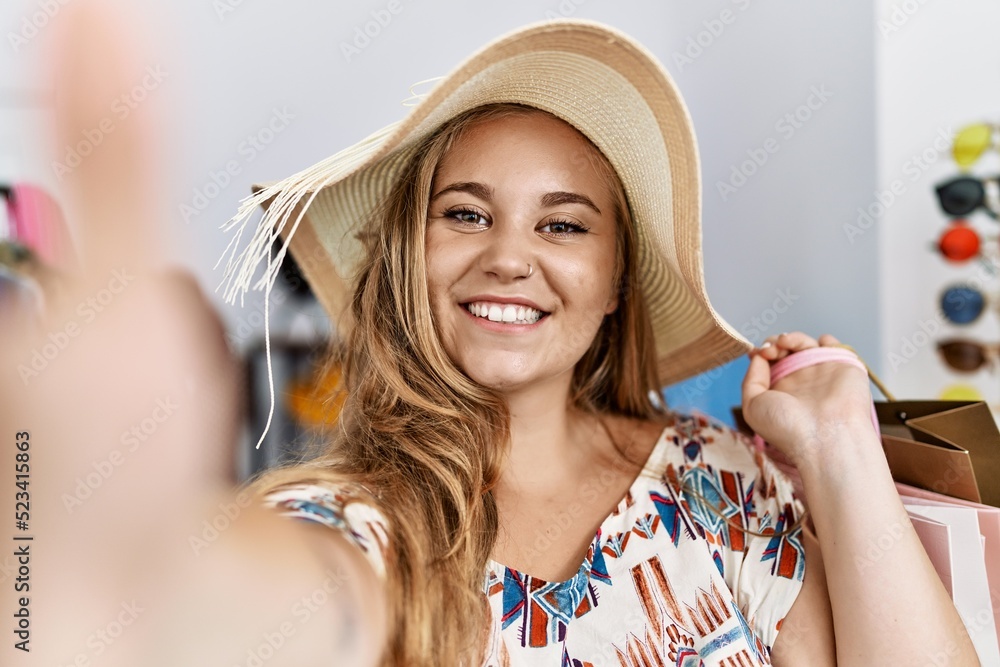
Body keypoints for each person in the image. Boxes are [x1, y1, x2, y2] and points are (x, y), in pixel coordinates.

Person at [0, 9, 978, 667]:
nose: (510, 258)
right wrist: (108, 554)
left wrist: (841, 447)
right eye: (465, 215)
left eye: (562, 224)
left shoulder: (727, 483)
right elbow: (263, 613)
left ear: (611, 285)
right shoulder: (350, 524)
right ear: (405, 261)